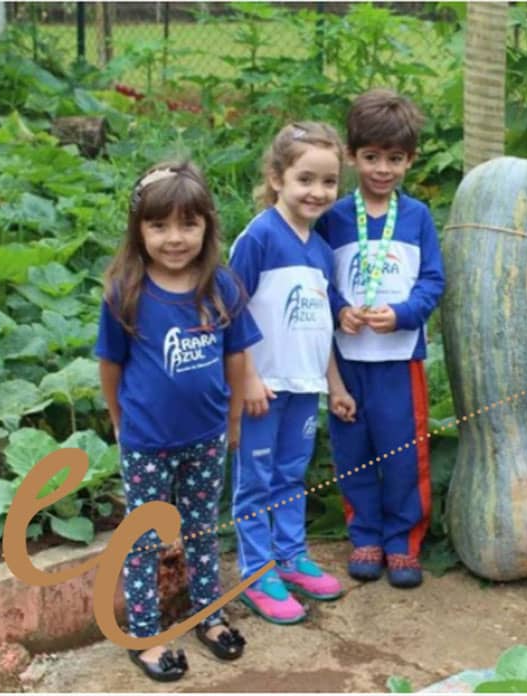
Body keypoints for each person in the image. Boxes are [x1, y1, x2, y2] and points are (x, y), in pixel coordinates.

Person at [96, 160, 262, 682]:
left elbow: (236, 360)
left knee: (202, 531)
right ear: (138, 230)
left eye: (188, 224)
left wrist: (233, 422)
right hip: (148, 443)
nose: (174, 238)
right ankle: (146, 631)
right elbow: (110, 365)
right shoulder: (127, 291)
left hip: (206, 438)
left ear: (207, 226)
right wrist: (120, 421)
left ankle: (208, 614)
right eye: (159, 225)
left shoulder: (221, 287)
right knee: (146, 540)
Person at [315, 88, 445, 588]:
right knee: (353, 451)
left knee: (403, 452)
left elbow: (433, 279)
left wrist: (406, 313)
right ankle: (365, 534)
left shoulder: (416, 218)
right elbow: (318, 277)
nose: (382, 169)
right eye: (371, 157)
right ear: (352, 156)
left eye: (394, 159)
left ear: (410, 160)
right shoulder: (333, 216)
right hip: (346, 362)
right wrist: (339, 309)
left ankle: (403, 541)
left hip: (399, 359)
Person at [228, 122, 357, 625]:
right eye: (306, 179)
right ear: (277, 177)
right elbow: (230, 313)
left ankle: (289, 555)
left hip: (304, 388)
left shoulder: (321, 250)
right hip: (263, 388)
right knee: (255, 479)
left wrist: (336, 386)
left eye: (328, 182)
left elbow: (321, 326)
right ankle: (255, 571)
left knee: (290, 475)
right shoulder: (259, 237)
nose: (318, 192)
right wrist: (248, 379)